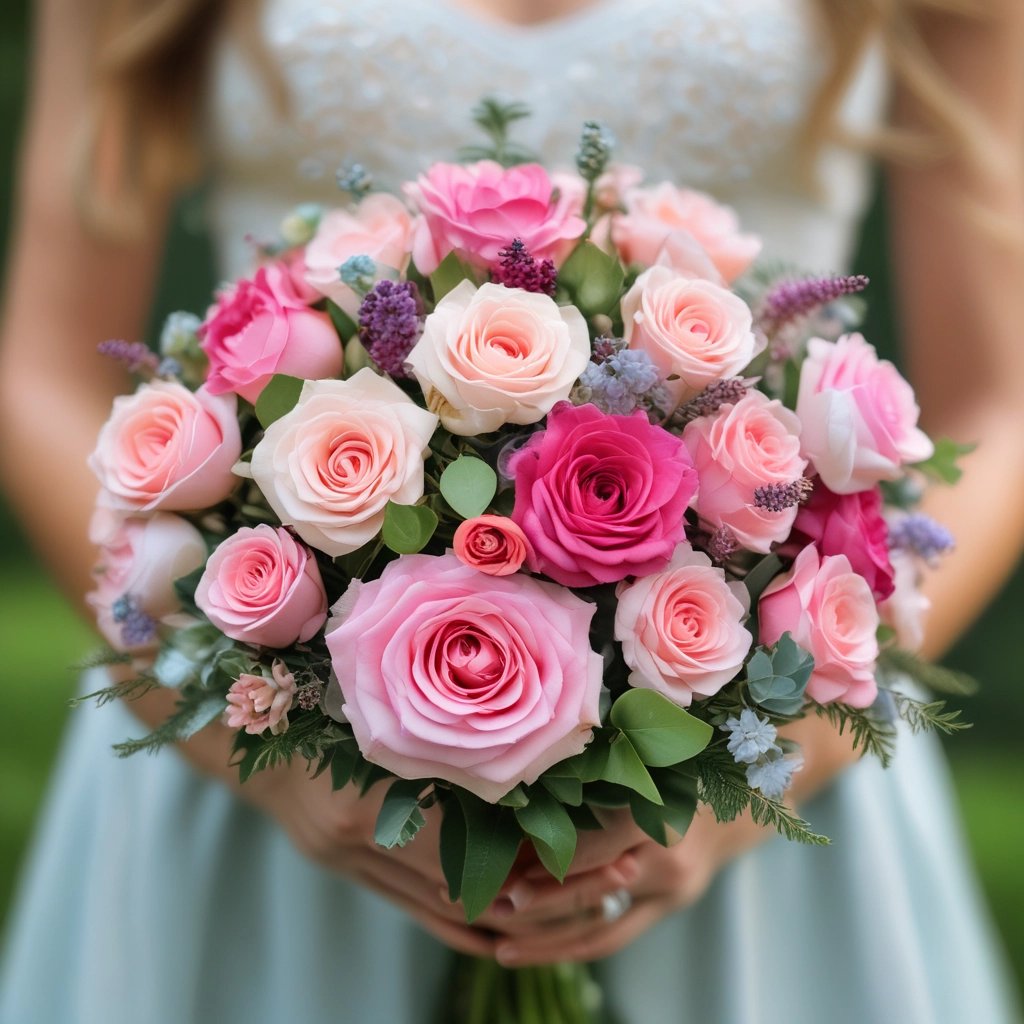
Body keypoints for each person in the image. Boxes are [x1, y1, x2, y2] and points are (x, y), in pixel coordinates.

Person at [1, 0, 1022, 1021]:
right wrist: (258, 768)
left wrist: (768, 772)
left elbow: (1000, 401)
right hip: (261, 775)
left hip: (760, 787)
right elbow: (43, 369)